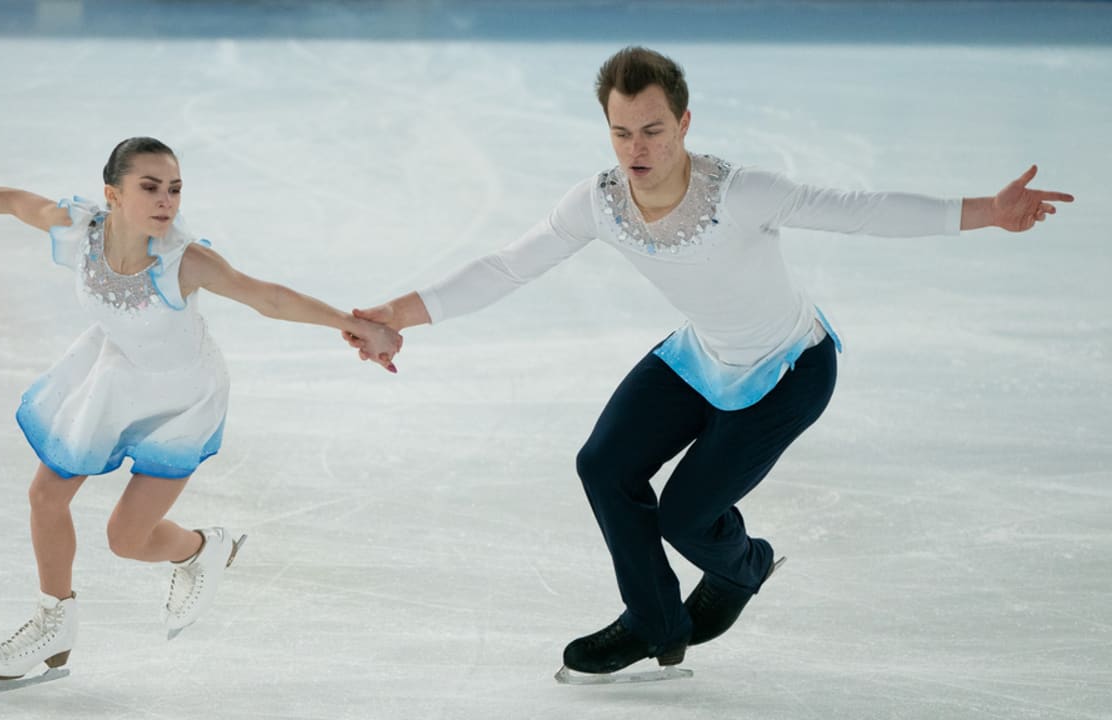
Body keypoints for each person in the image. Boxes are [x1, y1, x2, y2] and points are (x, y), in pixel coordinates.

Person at [345, 47, 1073, 680]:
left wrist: (987, 211)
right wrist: (395, 318)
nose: (638, 148)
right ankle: (656, 624)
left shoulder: (740, 192)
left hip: (790, 372)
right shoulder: (598, 201)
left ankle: (745, 564)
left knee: (687, 516)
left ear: (684, 124)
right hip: (701, 357)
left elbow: (861, 208)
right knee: (604, 464)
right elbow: (506, 268)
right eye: (622, 131)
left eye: (654, 130)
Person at [0, 137, 403, 687]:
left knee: (127, 540)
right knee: (45, 496)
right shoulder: (81, 230)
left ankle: (204, 547)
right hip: (114, 376)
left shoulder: (184, 260)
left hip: (181, 398)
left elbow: (267, 298)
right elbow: (12, 200)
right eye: (150, 187)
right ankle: (54, 618)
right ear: (113, 194)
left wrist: (358, 325)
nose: (166, 201)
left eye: (174, 189)